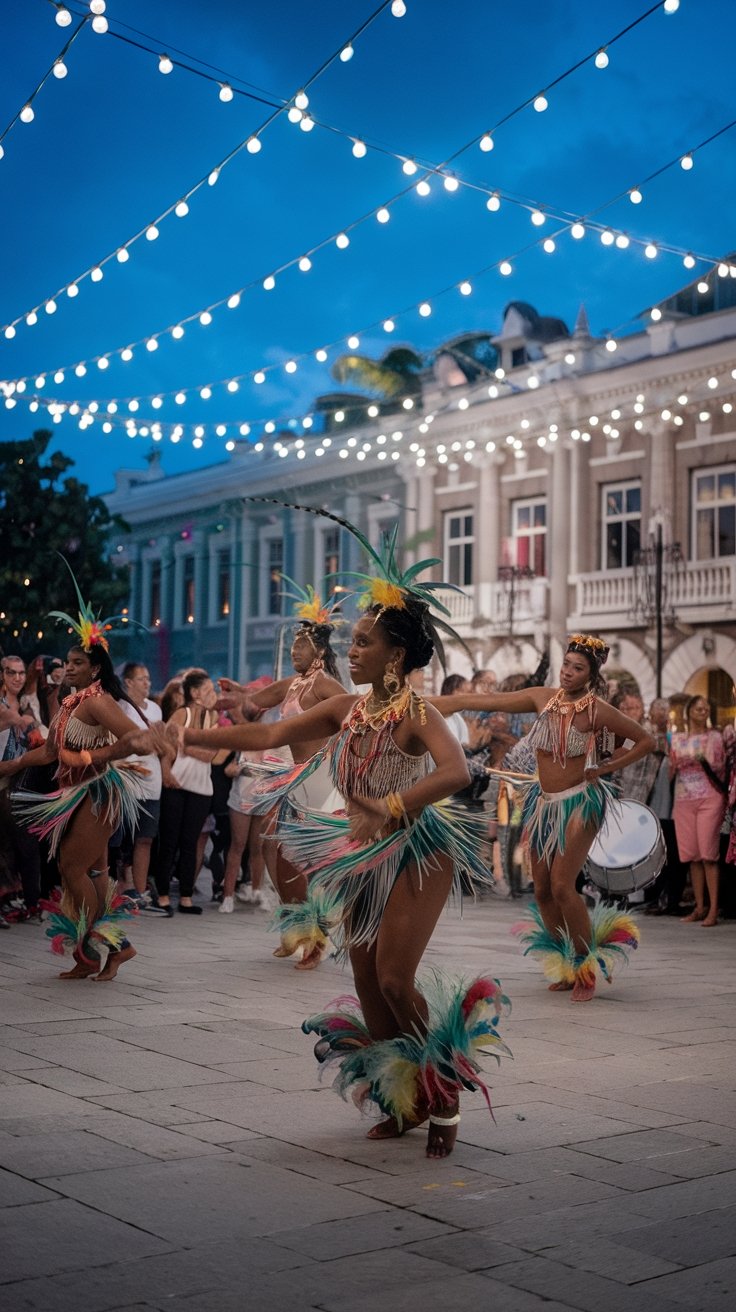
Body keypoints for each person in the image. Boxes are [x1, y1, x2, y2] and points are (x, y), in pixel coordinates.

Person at [167, 513, 511, 1159]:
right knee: (361, 975)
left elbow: (455, 770)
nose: (348, 651)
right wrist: (191, 734)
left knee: (391, 979)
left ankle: (443, 1088)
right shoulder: (348, 708)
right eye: (350, 641)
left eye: (361, 642)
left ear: (396, 655)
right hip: (361, 851)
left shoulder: (416, 711)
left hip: (419, 848)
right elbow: (268, 733)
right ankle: (399, 1096)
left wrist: (388, 805)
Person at [435, 634, 655, 1002]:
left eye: (577, 669)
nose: (568, 673)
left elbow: (646, 741)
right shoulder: (542, 698)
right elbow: (482, 699)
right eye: (566, 665)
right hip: (544, 802)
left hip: (580, 801)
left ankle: (586, 967)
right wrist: (443, 703)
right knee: (540, 889)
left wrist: (607, 767)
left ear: (590, 674)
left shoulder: (596, 709)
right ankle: (565, 963)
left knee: (562, 886)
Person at [0, 576, 167, 979]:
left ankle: (103, 948)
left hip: (98, 794)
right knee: (91, 873)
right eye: (67, 662)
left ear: (95, 668)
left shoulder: (98, 702)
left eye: (77, 663)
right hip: (71, 794)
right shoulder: (67, 702)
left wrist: (94, 753)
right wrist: (14, 765)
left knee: (71, 869)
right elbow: (52, 752)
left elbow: (132, 740)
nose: (68, 667)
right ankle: (101, 952)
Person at [219, 580, 346, 966]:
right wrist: (237, 695)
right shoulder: (293, 684)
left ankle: (317, 937)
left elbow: (349, 723)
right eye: (292, 644)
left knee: (304, 861)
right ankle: (295, 925)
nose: (294, 650)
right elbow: (255, 701)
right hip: (294, 778)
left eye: (301, 644)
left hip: (321, 781)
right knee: (273, 851)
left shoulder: (326, 685)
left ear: (320, 651)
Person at [154, 668, 218, 916]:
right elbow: (164, 744)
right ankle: (161, 895)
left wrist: (187, 747)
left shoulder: (213, 718)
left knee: (190, 843)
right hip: (177, 784)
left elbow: (212, 754)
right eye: (209, 690)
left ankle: (186, 896)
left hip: (202, 787)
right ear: (195, 693)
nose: (214, 694)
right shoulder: (183, 714)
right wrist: (166, 769)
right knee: (169, 841)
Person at [670, 695, 727, 927]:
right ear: (689, 711)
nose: (702, 711)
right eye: (698, 707)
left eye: (706, 708)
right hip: (684, 799)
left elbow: (718, 764)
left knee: (708, 854)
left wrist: (695, 757)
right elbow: (672, 769)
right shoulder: (677, 738)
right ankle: (699, 906)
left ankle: (713, 908)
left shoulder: (714, 736)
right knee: (692, 855)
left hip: (709, 798)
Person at [117, 663, 163, 909]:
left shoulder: (155, 709)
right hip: (126, 781)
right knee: (124, 840)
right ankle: (122, 889)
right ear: (128, 682)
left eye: (148, 678)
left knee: (145, 838)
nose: (147, 682)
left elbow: (160, 744)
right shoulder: (121, 709)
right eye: (141, 678)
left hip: (152, 780)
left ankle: (140, 890)